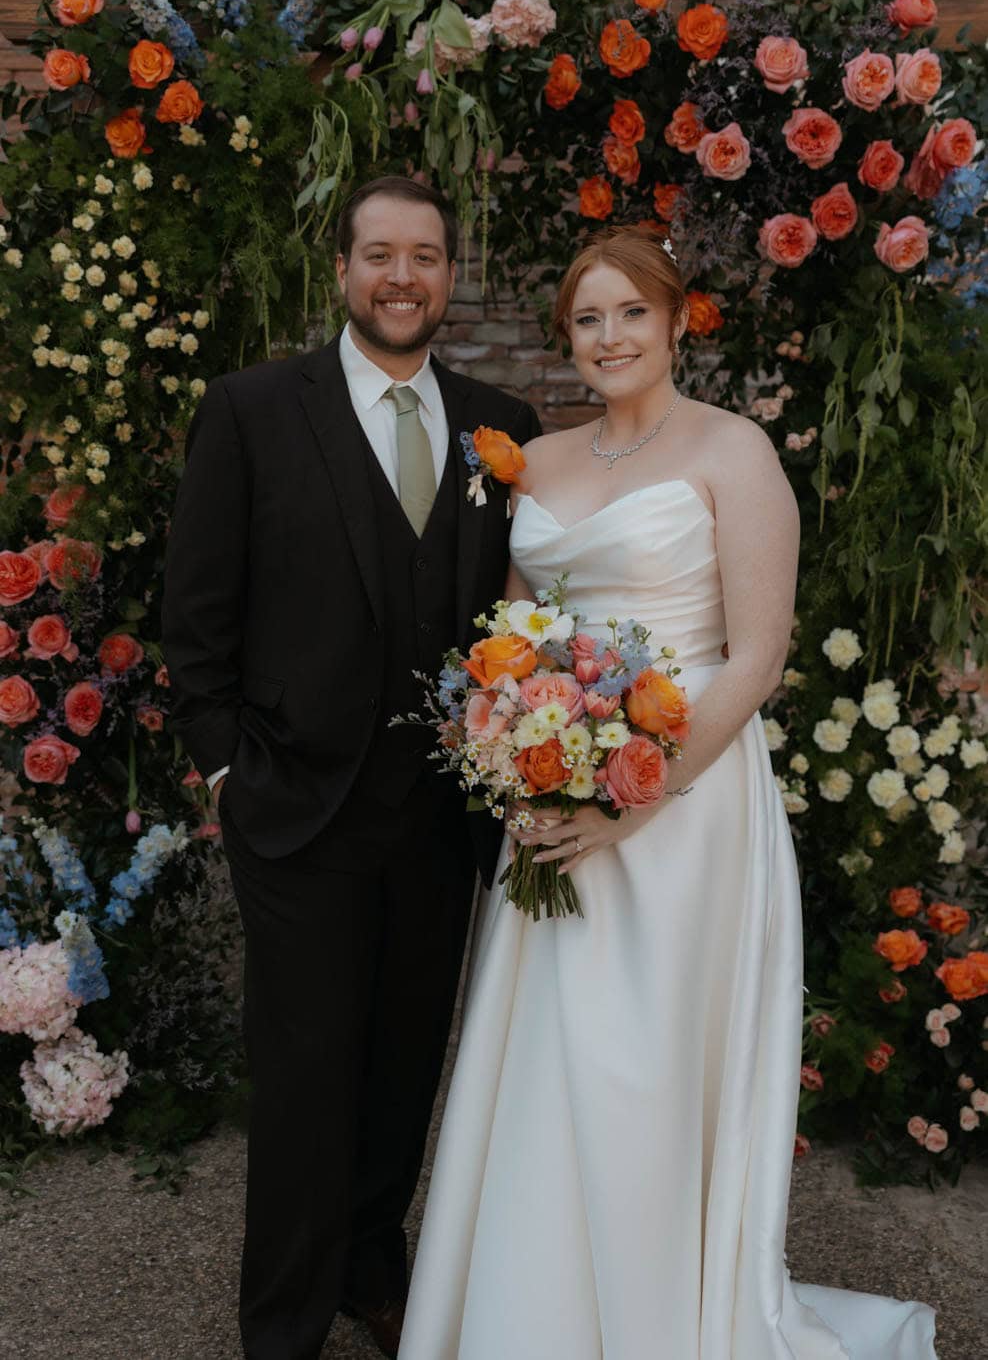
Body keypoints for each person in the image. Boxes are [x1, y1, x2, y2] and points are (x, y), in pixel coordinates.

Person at [396, 227, 939, 1359]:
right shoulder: (537, 463)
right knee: (544, 1052)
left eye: (630, 315)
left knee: (640, 1061)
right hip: (550, 794)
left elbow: (754, 658)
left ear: (675, 320)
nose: (609, 338)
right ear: (568, 339)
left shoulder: (732, 454)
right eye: (586, 320)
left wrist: (630, 801)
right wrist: (510, 766)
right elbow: (509, 641)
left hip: (685, 808)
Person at [161, 175, 541, 1360]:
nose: (402, 277)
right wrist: (228, 774)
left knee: (401, 1069)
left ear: (448, 275)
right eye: (379, 253)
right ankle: (280, 1324)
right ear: (341, 271)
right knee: (305, 1074)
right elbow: (197, 620)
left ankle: (376, 1268)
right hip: (297, 807)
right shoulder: (254, 409)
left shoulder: (504, 425)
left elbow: (515, 624)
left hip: (440, 819)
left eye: (425, 257)